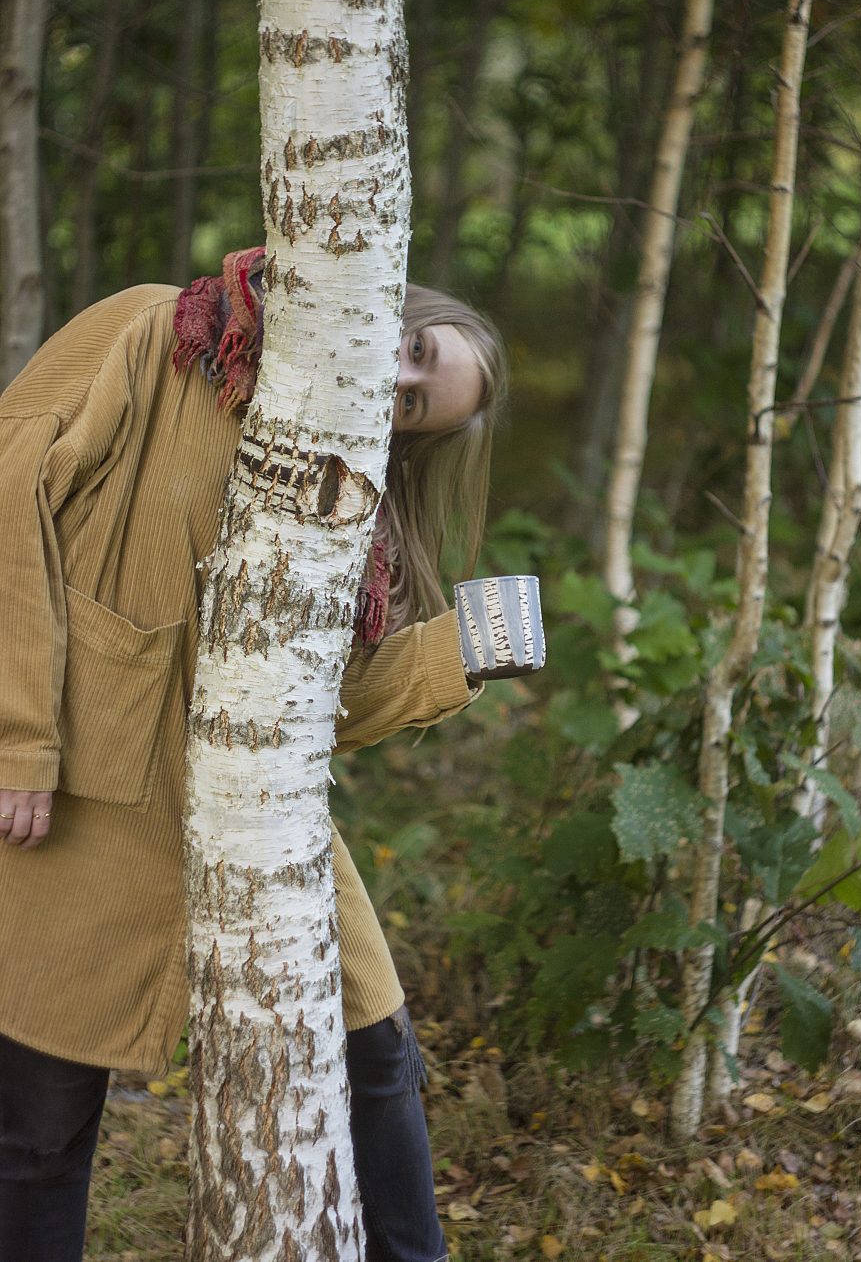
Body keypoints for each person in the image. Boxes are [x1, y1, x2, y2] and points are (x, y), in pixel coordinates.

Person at [0, 248, 531, 1262]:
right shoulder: (162, 333)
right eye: (415, 353)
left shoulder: (347, 494)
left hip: (258, 806)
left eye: (417, 406)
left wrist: (458, 645)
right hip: (79, 795)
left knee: (376, 1053)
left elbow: (320, 698)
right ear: (388, 306)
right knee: (38, 1130)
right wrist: (19, 733)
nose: (399, 384)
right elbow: (7, 497)